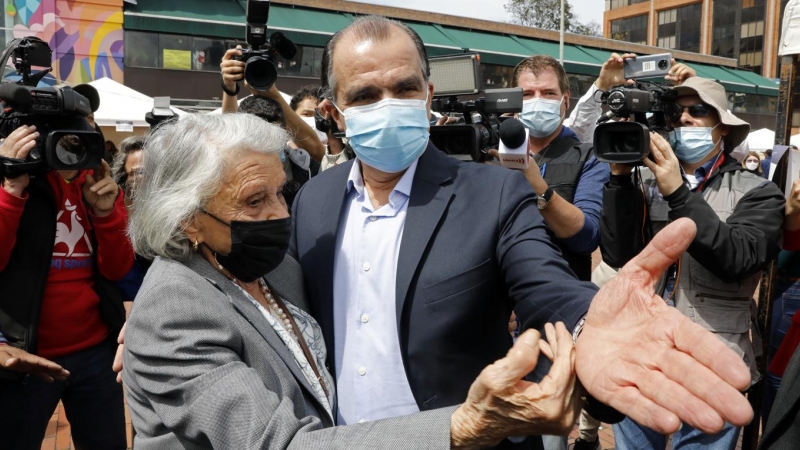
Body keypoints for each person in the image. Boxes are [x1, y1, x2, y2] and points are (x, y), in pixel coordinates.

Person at [290, 14, 755, 449]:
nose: (388, 106)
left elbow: (546, 284)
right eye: (366, 96)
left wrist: (591, 322)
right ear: (335, 111)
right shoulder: (312, 202)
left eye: (404, 88)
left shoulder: (495, 192)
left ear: (428, 95)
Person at [123, 112, 584, 448]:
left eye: (281, 192)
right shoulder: (173, 310)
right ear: (186, 220)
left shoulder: (269, 267)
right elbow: (279, 444)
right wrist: (461, 426)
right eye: (254, 201)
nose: (280, 214)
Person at [600, 76, 785, 450]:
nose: (683, 119)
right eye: (675, 111)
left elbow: (737, 259)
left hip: (714, 357)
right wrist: (620, 180)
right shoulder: (648, 183)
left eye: (697, 110)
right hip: (643, 347)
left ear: (723, 128)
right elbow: (620, 256)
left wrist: (679, 193)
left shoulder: (759, 191)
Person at [0, 124, 134, 449]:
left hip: (97, 353)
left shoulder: (95, 183)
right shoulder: (14, 180)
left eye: (81, 136)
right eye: (62, 137)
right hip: (26, 357)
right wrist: (10, 188)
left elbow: (118, 268)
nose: (71, 147)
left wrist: (106, 214)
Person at [509, 54, 608, 282]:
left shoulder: (588, 158)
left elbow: (588, 237)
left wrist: (540, 191)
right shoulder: (492, 154)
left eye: (548, 93)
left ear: (565, 100)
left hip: (561, 298)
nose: (537, 101)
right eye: (526, 94)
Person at [219, 47, 325, 163]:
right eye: (307, 114)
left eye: (319, 115)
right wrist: (229, 87)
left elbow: (317, 151)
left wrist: (274, 94)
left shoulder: (304, 165)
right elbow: (229, 139)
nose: (313, 120)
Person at [238, 95, 320, 211]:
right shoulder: (227, 175)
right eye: (260, 137)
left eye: (275, 135)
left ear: (286, 130)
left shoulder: (309, 169)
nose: (269, 144)